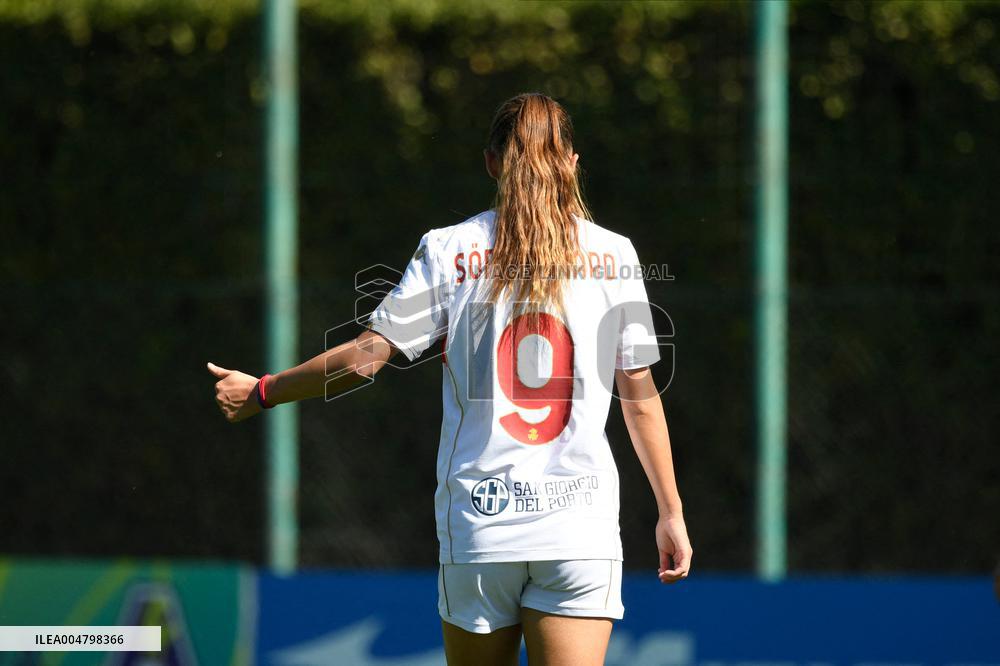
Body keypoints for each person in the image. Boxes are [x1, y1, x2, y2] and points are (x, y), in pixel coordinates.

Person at [209, 92, 692, 666]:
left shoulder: (450, 250)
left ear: (491, 163)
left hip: (482, 524)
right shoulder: (617, 256)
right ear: (572, 162)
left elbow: (366, 358)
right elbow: (639, 400)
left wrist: (264, 390)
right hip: (579, 530)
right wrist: (671, 513)